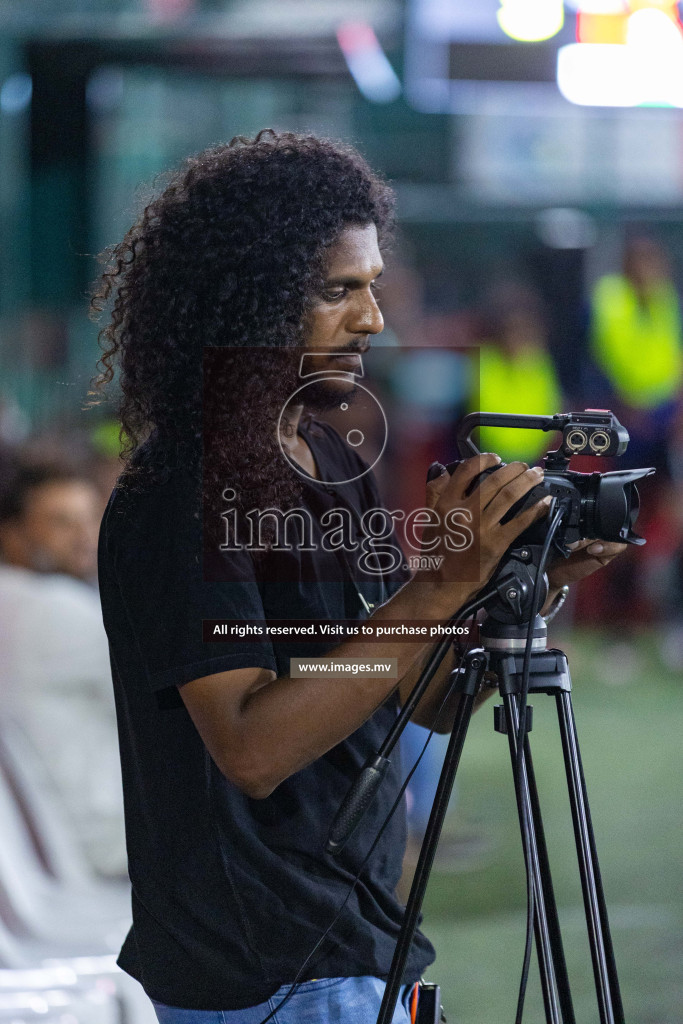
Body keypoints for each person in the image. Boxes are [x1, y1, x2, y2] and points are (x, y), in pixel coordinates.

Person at [91, 131, 625, 1023]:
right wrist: (440, 587)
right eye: (338, 290)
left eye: (372, 285)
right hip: (265, 969)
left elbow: (415, 701)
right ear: (250, 300)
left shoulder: (326, 457)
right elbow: (253, 748)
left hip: (360, 941)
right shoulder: (183, 489)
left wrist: (514, 587)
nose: (372, 317)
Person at [0, 458, 126, 877]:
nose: (85, 536)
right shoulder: (53, 607)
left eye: (91, 516)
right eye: (60, 522)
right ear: (12, 533)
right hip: (100, 843)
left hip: (46, 845)